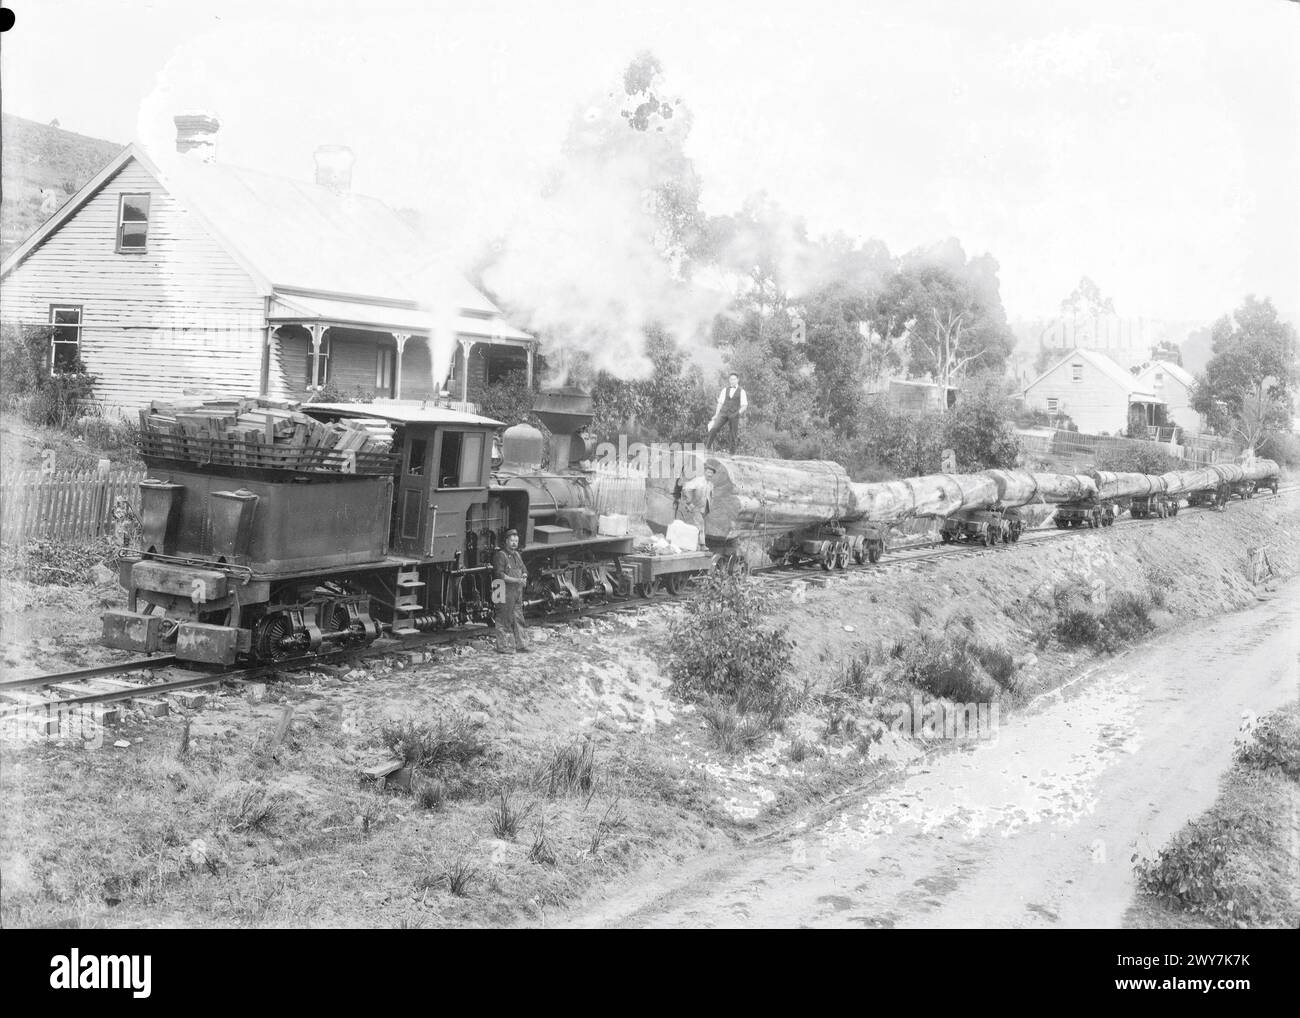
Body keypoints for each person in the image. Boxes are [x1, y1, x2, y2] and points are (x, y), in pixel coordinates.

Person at [491, 529, 530, 654]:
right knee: (503, 619)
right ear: (506, 541)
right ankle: (502, 647)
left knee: (519, 618)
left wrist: (524, 576)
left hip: (516, 592)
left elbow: (524, 569)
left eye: (516, 541)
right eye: (512, 541)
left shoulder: (517, 555)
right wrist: (517, 580)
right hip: (502, 590)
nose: (514, 543)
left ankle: (521, 645)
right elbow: (500, 575)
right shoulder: (500, 555)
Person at [705, 373, 748, 454]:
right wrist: (716, 414)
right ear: (729, 380)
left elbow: (744, 405)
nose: (732, 381)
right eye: (731, 379)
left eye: (734, 379)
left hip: (734, 414)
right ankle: (707, 448)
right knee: (714, 428)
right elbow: (720, 403)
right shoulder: (725, 390)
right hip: (723, 413)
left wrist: (737, 414)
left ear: (737, 380)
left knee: (733, 434)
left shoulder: (742, 391)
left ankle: (732, 453)